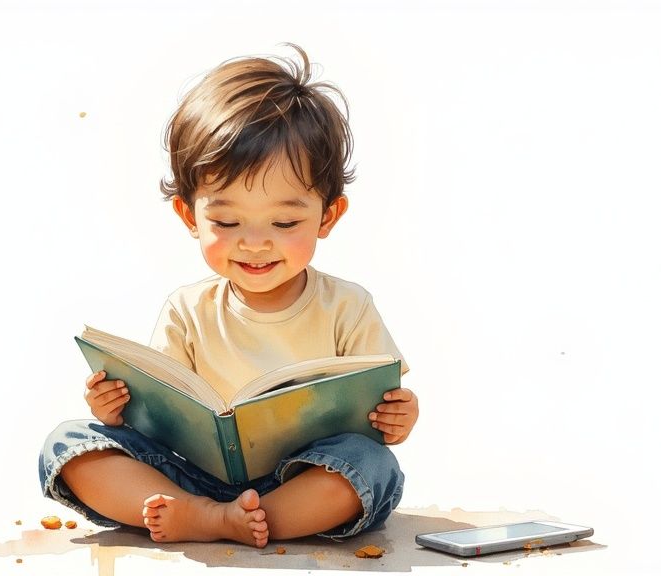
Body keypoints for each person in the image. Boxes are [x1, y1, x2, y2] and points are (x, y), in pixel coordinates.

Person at [39, 44, 419, 548]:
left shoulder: (347, 306)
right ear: (188, 216)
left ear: (328, 216)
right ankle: (209, 514)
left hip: (302, 480)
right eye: (226, 220)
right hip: (189, 479)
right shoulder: (187, 309)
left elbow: (382, 410)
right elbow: (160, 420)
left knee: (370, 466)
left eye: (284, 222)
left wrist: (401, 416)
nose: (255, 242)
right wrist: (116, 409)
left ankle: (244, 520)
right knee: (68, 443)